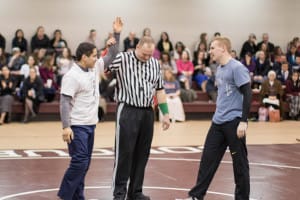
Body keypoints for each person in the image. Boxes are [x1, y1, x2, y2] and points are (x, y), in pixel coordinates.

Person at [57, 17, 123, 200]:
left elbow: (112, 56)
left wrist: (116, 35)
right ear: (84, 57)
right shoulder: (72, 76)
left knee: (84, 165)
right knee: (79, 163)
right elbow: (63, 102)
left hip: (90, 124)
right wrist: (65, 127)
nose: (96, 58)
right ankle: (65, 195)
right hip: (77, 126)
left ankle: (78, 196)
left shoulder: (94, 67)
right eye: (94, 55)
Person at [179, 37, 252, 200]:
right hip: (218, 122)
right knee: (207, 161)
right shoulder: (219, 68)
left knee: (239, 164)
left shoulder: (237, 68)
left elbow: (248, 94)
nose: (209, 51)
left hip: (234, 122)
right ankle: (196, 196)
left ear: (223, 48)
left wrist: (244, 121)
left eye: (212, 48)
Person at [109, 36, 170, 200]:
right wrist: (114, 39)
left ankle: (135, 192)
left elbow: (160, 90)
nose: (146, 57)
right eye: (144, 54)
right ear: (137, 46)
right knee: (124, 153)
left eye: (150, 55)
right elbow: (106, 67)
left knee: (142, 153)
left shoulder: (155, 63)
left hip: (147, 112)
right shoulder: (123, 58)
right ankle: (119, 193)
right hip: (127, 110)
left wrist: (166, 114)